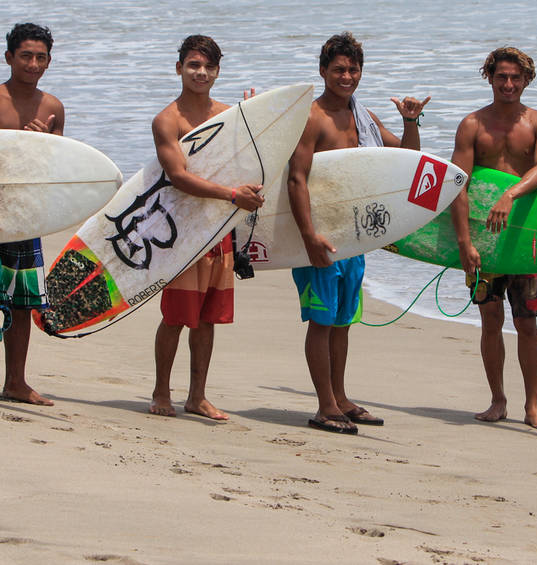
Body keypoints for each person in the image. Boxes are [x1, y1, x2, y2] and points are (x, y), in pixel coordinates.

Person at [288, 32, 430, 434]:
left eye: (353, 69)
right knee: (321, 319)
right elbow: (296, 180)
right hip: (319, 236)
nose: (346, 76)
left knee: (343, 320)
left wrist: (410, 121)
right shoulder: (311, 117)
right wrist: (309, 236)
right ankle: (324, 406)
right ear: (323, 71)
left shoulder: (362, 115)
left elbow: (405, 158)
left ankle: (340, 397)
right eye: (338, 69)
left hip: (353, 237)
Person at [148, 35, 264, 421]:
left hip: (220, 230)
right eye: (193, 65)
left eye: (209, 67)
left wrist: (255, 122)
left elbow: (251, 162)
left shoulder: (230, 115)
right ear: (178, 67)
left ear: (218, 71)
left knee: (208, 317)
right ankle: (161, 391)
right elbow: (178, 176)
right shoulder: (168, 120)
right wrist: (232, 195)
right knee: (177, 316)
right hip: (182, 232)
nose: (201, 73)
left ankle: (197, 395)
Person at [450, 47, 537, 430]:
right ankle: (497, 400)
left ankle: (532, 406)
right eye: (501, 77)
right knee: (490, 319)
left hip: (526, 239)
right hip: (483, 239)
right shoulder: (472, 125)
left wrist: (509, 194)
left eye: (515, 78)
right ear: (490, 79)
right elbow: (457, 186)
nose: (508, 84)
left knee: (527, 323)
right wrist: (464, 243)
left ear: (527, 80)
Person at [0, 22, 64, 406]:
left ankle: (16, 382)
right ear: (9, 58)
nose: (33, 63)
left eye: (40, 57)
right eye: (26, 55)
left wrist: (38, 141)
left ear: (49, 61)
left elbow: (54, 170)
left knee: (24, 304)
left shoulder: (52, 108)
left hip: (26, 218)